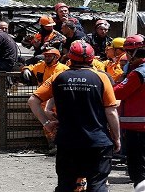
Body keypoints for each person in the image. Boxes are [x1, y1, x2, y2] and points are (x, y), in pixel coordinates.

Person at [28, 40, 120, 192]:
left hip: (67, 141)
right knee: (97, 185)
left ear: (70, 57)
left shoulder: (58, 77)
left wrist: (46, 123)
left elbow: (33, 101)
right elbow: (111, 111)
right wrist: (116, 138)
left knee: (66, 185)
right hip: (97, 141)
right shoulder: (102, 78)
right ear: (92, 59)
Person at [113, 34, 145, 189]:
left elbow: (119, 92)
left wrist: (108, 86)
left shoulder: (138, 73)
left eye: (128, 51)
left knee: (138, 171)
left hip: (138, 130)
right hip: (138, 128)